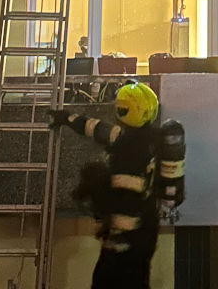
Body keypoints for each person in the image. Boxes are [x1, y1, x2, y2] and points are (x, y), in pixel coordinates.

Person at [49, 80, 161, 289]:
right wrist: (70, 119)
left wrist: (117, 240)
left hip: (128, 239)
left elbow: (128, 198)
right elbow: (98, 129)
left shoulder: (127, 150)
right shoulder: (145, 139)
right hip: (146, 230)